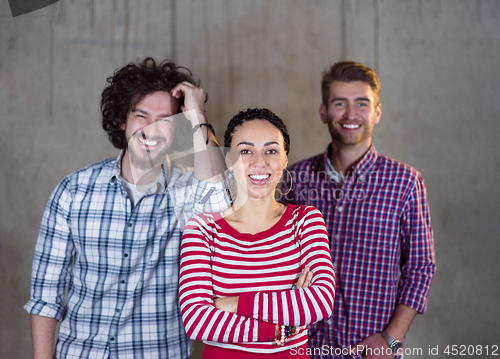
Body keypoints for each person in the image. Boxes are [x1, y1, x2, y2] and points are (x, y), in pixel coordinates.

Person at [24, 57, 231, 359]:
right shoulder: (73, 191)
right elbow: (45, 298)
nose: (152, 129)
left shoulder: (189, 192)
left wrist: (197, 115)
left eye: (165, 120)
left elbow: (222, 212)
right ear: (122, 120)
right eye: (141, 116)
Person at [280, 62, 436, 359]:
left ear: (377, 111)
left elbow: (420, 268)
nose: (351, 115)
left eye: (361, 104)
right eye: (340, 103)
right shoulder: (295, 179)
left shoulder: (406, 183)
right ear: (324, 111)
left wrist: (392, 340)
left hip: (369, 352)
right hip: (303, 348)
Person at [179, 108, 336, 358]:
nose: (259, 162)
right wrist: (279, 327)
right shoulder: (201, 229)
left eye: (271, 150)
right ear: (229, 161)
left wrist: (235, 303)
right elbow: (197, 322)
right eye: (245, 151)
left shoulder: (306, 221)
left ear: (285, 159)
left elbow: (320, 302)